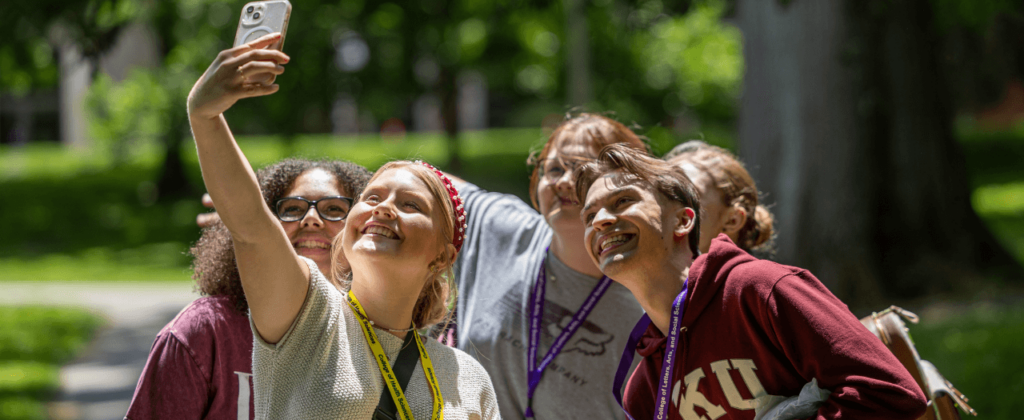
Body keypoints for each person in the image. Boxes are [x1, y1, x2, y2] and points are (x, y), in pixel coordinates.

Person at [186, 33, 498, 419]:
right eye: (372, 198)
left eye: (410, 204)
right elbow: (250, 227)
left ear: (442, 256)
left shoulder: (468, 378)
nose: (383, 209)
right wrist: (205, 116)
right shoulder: (306, 315)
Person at [574, 144, 927, 420]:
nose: (601, 221)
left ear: (682, 222)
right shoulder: (644, 388)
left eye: (623, 201)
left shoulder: (758, 290)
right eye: (589, 216)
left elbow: (891, 392)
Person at [125, 158, 370, 420]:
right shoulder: (205, 330)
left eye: (333, 209)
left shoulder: (380, 328)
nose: (311, 219)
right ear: (265, 223)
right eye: (292, 208)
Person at [449, 113, 647, 419]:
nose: (565, 181)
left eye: (585, 170)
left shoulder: (649, 303)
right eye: (554, 168)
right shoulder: (503, 227)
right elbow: (416, 179)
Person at [663, 140, 774, 255]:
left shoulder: (757, 273)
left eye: (684, 195)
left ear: (732, 221)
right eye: (661, 192)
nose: (661, 205)